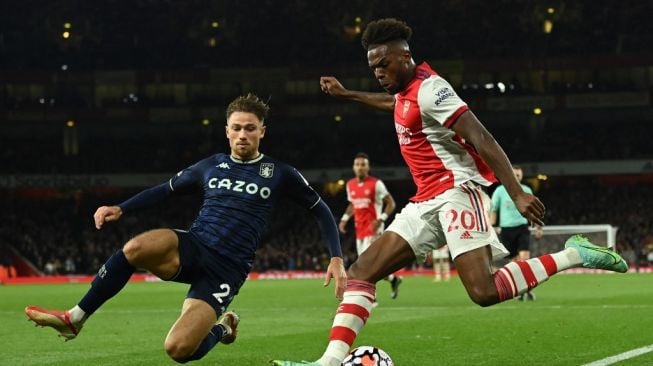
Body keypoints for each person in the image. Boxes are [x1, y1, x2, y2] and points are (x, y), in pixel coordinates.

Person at [271, 18, 628, 366]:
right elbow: (395, 106)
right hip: (425, 198)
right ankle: (329, 362)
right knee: (362, 271)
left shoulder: (432, 90)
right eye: (372, 67)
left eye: (383, 64)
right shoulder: (404, 93)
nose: (377, 72)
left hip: (458, 191)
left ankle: (573, 254)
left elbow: (481, 137)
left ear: (405, 57)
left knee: (484, 292)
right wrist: (347, 93)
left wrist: (516, 192)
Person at [25, 94, 347, 364]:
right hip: (193, 245)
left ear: (263, 131)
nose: (243, 135)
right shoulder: (209, 166)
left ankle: (223, 328)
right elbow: (164, 190)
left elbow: (320, 210)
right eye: (236, 128)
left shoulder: (280, 173)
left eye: (250, 128)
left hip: (226, 269)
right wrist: (120, 207)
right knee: (135, 248)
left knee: (178, 350)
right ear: (227, 131)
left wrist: (335, 257)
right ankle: (75, 319)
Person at [339, 152, 400, 300]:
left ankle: (371, 298)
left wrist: (381, 219)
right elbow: (353, 204)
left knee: (366, 263)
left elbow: (391, 203)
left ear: (368, 167)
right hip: (359, 230)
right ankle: (393, 279)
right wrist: (344, 219)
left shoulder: (376, 184)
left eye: (363, 165)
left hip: (374, 229)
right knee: (369, 264)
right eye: (357, 165)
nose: (360, 167)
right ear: (353, 167)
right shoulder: (350, 185)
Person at [490, 165, 542, 300]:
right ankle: (520, 290)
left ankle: (527, 289)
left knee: (524, 259)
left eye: (519, 175)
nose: (517, 177)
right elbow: (494, 209)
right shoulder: (500, 191)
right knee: (514, 263)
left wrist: (538, 227)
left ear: (522, 176)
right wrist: (491, 227)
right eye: (515, 175)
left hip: (522, 228)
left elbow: (532, 210)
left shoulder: (526, 190)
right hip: (506, 230)